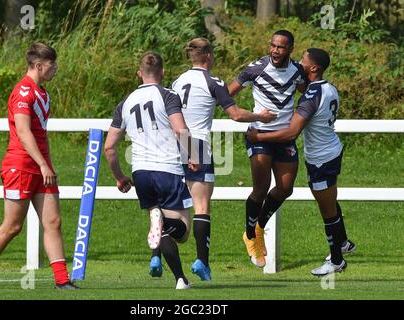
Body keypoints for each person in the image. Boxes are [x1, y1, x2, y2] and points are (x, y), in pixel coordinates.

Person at [148, 37, 276, 281]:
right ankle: (201, 262)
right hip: (196, 145)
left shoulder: (177, 80)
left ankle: (156, 255)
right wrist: (261, 116)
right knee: (201, 206)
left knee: (167, 208)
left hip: (172, 146)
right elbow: (236, 115)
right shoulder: (213, 81)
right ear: (208, 57)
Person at [0, 42, 78, 289]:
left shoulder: (43, 93)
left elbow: (41, 134)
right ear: (39, 66)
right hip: (20, 166)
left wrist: (47, 165)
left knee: (53, 222)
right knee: (13, 226)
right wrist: (42, 163)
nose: (56, 69)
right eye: (53, 64)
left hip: (42, 168)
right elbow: (23, 131)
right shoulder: (22, 91)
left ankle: (63, 281)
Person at [246, 48, 356, 275]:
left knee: (327, 210)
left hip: (321, 159)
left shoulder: (311, 96)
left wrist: (259, 137)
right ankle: (343, 242)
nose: (298, 64)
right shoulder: (329, 87)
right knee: (330, 200)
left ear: (313, 68)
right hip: (332, 150)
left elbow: (291, 133)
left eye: (303, 61)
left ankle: (336, 261)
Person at [104, 51, 199, 289]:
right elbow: (180, 130)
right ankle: (163, 228)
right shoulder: (167, 95)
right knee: (183, 231)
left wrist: (119, 177)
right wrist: (193, 155)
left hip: (140, 172)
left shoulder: (125, 102)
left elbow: (109, 148)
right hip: (166, 168)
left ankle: (181, 279)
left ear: (139, 73)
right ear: (163, 72)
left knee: (161, 225)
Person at [227, 30, 307, 268]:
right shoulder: (255, 68)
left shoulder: (297, 71)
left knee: (285, 188)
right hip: (258, 136)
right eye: (272, 45)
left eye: (281, 47)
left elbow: (307, 91)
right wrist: (250, 116)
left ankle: (259, 227)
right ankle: (250, 235)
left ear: (290, 48)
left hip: (284, 137)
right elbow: (227, 94)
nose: (275, 50)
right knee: (260, 189)